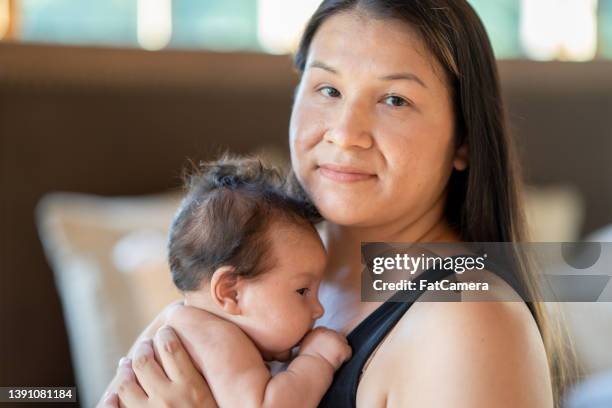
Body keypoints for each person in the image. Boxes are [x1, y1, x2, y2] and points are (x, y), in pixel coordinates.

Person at [100, 1, 576, 407]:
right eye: (328, 89)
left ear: (463, 141)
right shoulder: (252, 270)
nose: (346, 133)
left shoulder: (470, 321)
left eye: (394, 99)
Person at [144, 154, 351, 408]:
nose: (319, 310)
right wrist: (317, 359)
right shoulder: (216, 338)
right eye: (302, 290)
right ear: (230, 292)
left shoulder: (182, 322)